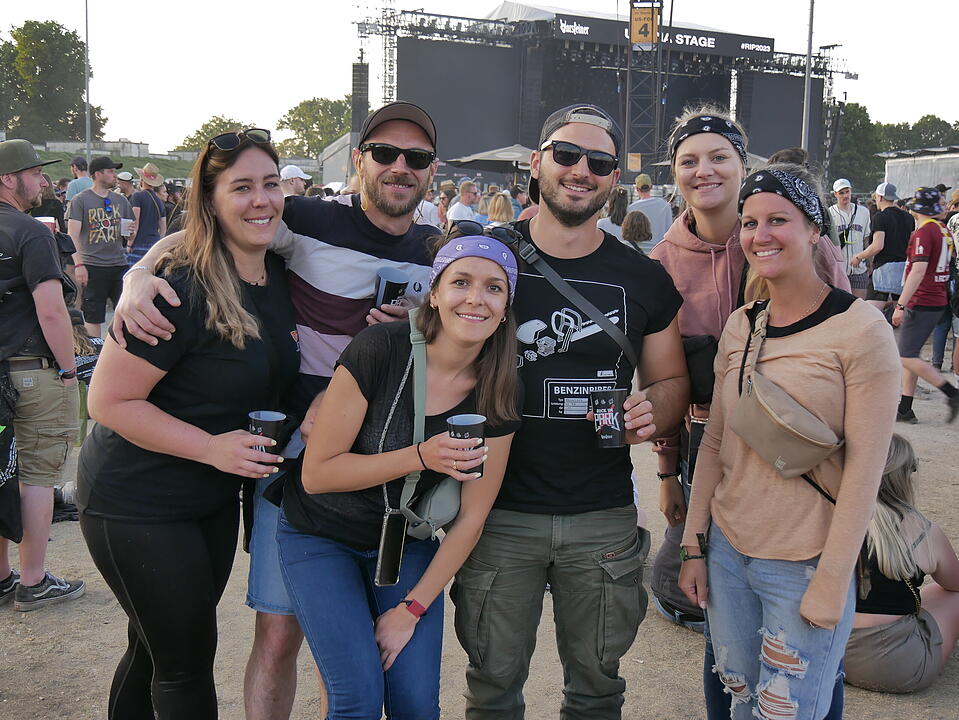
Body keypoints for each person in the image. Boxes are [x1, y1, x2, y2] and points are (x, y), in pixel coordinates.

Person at [111, 102, 442, 720]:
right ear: (360, 160)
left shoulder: (436, 247)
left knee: (347, 644)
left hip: (389, 466)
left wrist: (420, 327)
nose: (400, 166)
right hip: (295, 458)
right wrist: (139, 272)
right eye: (385, 153)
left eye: (416, 157)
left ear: (432, 169)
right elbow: (218, 228)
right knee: (280, 632)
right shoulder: (309, 218)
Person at [453, 104, 689, 719]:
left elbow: (670, 381)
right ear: (537, 163)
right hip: (495, 511)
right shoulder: (483, 258)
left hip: (600, 517)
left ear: (615, 178)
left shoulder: (643, 277)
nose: (582, 170)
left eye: (600, 162)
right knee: (491, 690)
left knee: (596, 692)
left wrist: (652, 409)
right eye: (566, 154)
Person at [77, 129, 299, 719]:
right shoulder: (176, 285)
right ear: (210, 199)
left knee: (153, 650)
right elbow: (108, 401)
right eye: (241, 187)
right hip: (136, 498)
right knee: (185, 663)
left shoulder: (280, 271)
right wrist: (210, 448)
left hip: (210, 499)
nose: (261, 199)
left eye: (270, 184)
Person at [679, 162, 901, 720]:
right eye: (750, 222)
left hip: (805, 563)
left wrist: (833, 578)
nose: (761, 235)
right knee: (739, 704)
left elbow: (866, 468)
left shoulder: (861, 329)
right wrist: (694, 546)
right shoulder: (742, 324)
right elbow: (715, 444)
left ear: (814, 228)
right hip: (728, 553)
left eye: (778, 219)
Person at [279, 232, 520, 719]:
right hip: (320, 534)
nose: (476, 298)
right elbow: (317, 474)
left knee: (415, 704)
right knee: (357, 698)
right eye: (461, 282)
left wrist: (411, 610)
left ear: (506, 308)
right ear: (434, 293)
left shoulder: (500, 383)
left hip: (406, 542)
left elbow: (472, 518)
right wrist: (421, 457)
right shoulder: (381, 348)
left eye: (494, 288)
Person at [0, 139, 82, 611]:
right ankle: (33, 580)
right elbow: (51, 311)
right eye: (34, 173)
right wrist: (69, 370)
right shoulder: (29, 231)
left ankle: (2, 578)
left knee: (0, 472)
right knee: (35, 476)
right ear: (8, 179)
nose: (43, 181)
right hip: (30, 370)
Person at [843, 434, 959, 693]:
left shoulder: (831, 516)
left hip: (830, 655)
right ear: (905, 475)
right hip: (898, 669)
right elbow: (955, 584)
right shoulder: (923, 531)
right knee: (950, 596)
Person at [892, 187, 959, 424]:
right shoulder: (943, 229)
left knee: (905, 356)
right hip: (937, 297)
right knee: (911, 354)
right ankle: (905, 408)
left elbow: (918, 270)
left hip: (922, 299)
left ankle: (952, 394)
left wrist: (900, 305)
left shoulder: (925, 231)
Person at [68, 156, 135, 338]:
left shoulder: (121, 201)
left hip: (119, 264)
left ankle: (120, 348)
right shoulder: (80, 200)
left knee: (126, 311)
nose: (115, 176)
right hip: (92, 265)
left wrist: (130, 232)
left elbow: (129, 234)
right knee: (93, 315)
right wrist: (79, 265)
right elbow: (72, 235)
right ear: (97, 174)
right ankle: (96, 351)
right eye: (110, 171)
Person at [863, 182, 912, 315]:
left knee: (871, 313)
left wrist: (858, 257)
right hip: (902, 269)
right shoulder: (908, 217)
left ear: (880, 197)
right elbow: (911, 243)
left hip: (883, 268)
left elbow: (877, 246)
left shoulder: (880, 217)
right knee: (901, 314)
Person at [828, 178, 871, 298]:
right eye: (841, 193)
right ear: (835, 194)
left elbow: (866, 239)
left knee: (859, 304)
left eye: (847, 192)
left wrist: (869, 262)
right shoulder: (830, 213)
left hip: (858, 268)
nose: (845, 195)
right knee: (841, 305)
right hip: (838, 269)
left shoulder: (863, 212)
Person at [128, 163, 168, 266]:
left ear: (142, 180)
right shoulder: (159, 201)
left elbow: (135, 224)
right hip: (154, 245)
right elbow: (163, 229)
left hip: (139, 244)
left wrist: (129, 245)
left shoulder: (137, 197)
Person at [627, 172, 672, 246]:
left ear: (637, 189)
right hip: (661, 248)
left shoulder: (631, 208)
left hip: (639, 249)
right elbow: (670, 230)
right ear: (651, 187)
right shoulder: (665, 205)